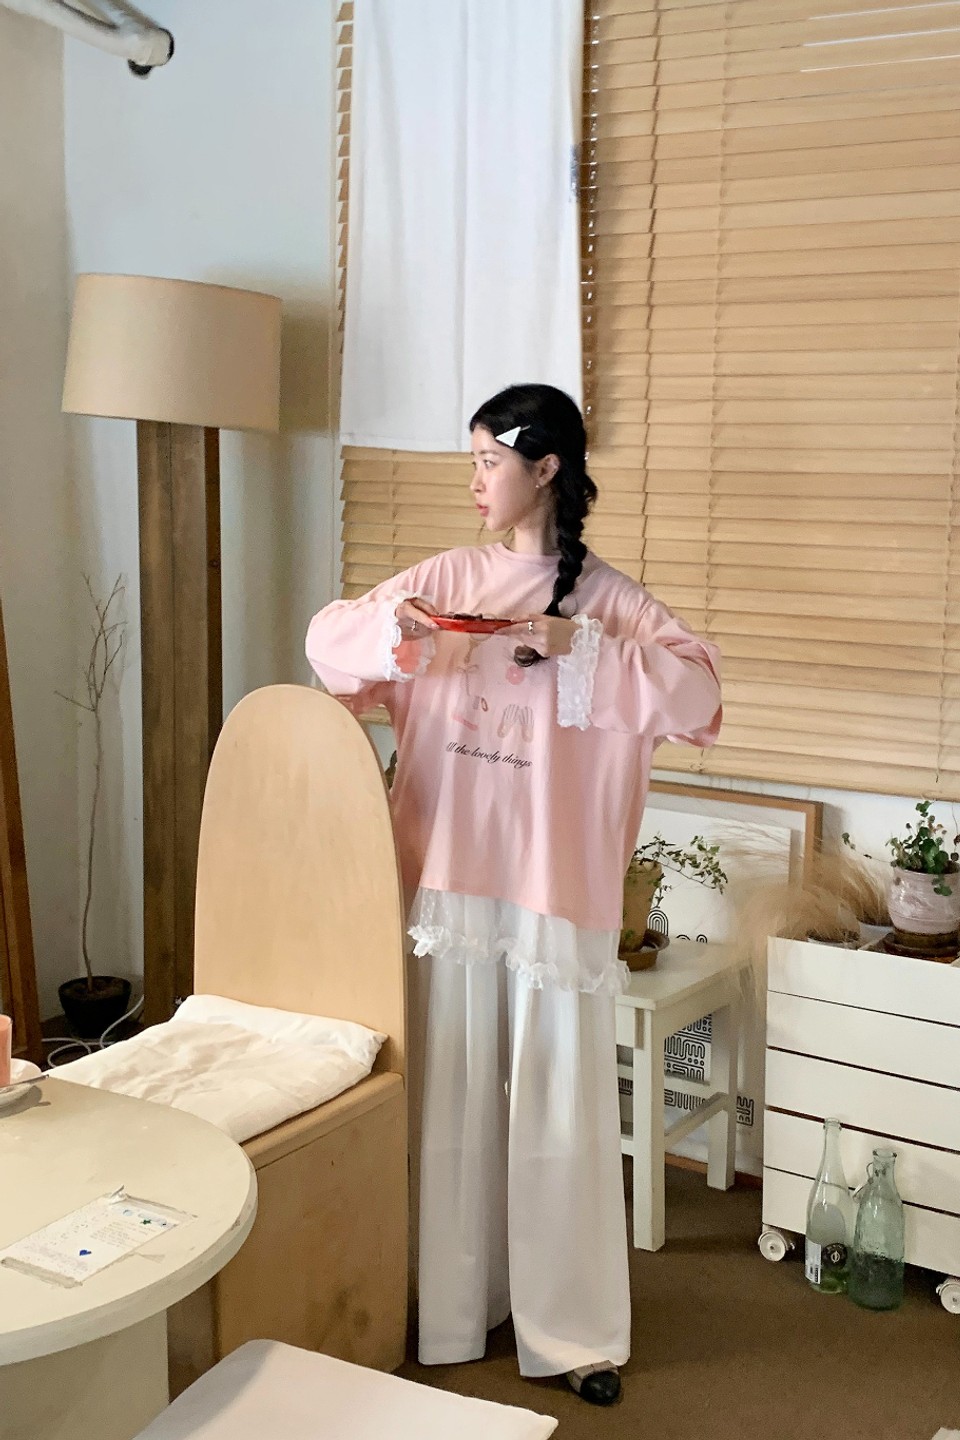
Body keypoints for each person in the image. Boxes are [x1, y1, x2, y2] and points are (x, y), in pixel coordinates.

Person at [305, 383, 722, 1406]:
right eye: (473, 461)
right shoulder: (447, 577)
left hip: (554, 888)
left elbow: (701, 695)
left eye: (489, 461)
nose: (475, 480)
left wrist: (582, 649)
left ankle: (574, 1331)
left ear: (546, 469)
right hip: (447, 876)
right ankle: (451, 1308)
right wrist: (402, 633)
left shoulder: (612, 603)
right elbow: (327, 644)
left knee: (560, 1102)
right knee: (447, 1091)